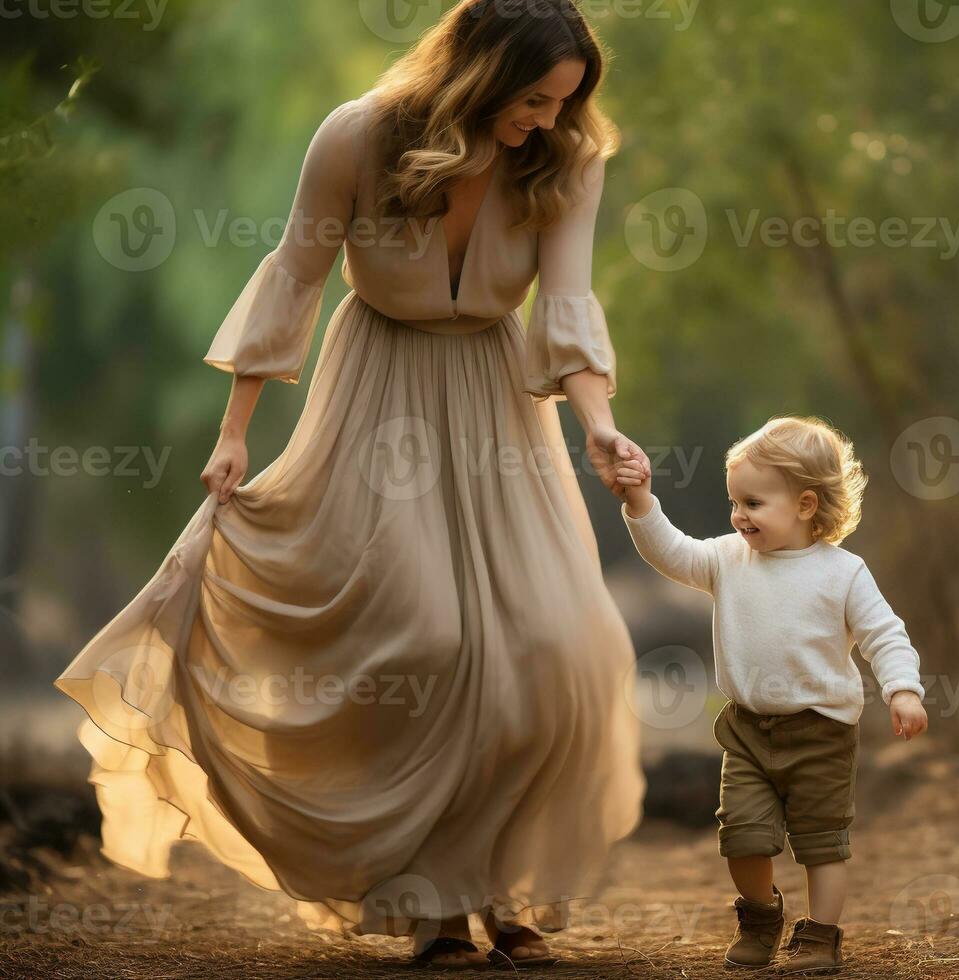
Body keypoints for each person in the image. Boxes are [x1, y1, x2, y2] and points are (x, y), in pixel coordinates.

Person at [54, 0, 649, 968]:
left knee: (557, 643)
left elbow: (568, 304)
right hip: (381, 397)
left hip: (503, 406)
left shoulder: (567, 156)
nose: (547, 117)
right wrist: (234, 432)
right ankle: (435, 903)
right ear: (481, 71)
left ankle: (502, 887)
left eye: (562, 101)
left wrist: (602, 428)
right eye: (533, 96)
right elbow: (297, 273)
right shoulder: (360, 136)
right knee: (427, 632)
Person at [615, 415, 931, 973]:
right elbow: (672, 552)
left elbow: (885, 633)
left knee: (821, 842)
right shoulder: (728, 560)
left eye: (754, 504)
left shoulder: (843, 573)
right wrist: (641, 501)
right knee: (741, 836)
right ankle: (761, 917)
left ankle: (820, 937)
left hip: (821, 733)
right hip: (747, 730)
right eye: (735, 502)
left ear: (806, 505)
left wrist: (902, 688)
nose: (738, 516)